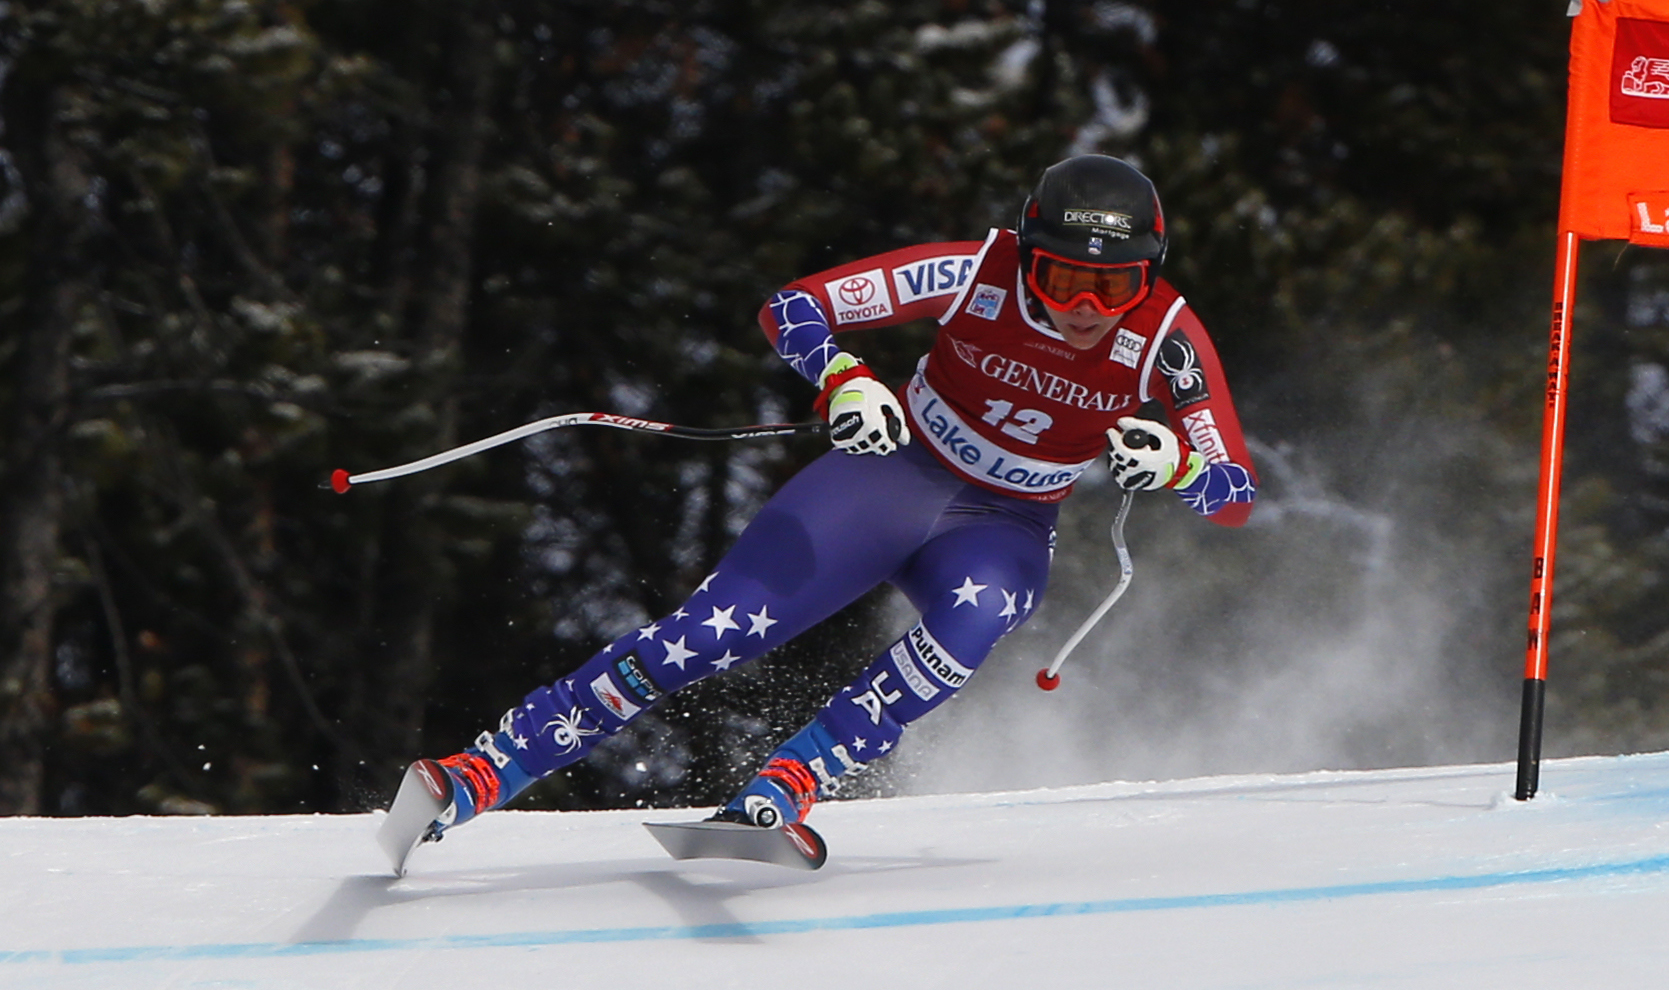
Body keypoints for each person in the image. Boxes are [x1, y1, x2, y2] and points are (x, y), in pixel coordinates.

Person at [397, 155, 1257, 849]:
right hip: (892, 477)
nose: (1083, 310)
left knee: (980, 613)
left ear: (1149, 277)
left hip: (1005, 521)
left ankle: (795, 778)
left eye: (1112, 289)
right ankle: (488, 769)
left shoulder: (1168, 340)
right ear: (1027, 253)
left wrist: (1180, 463)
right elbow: (794, 308)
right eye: (1063, 279)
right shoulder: (975, 272)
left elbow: (1233, 496)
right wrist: (845, 378)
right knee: (706, 636)